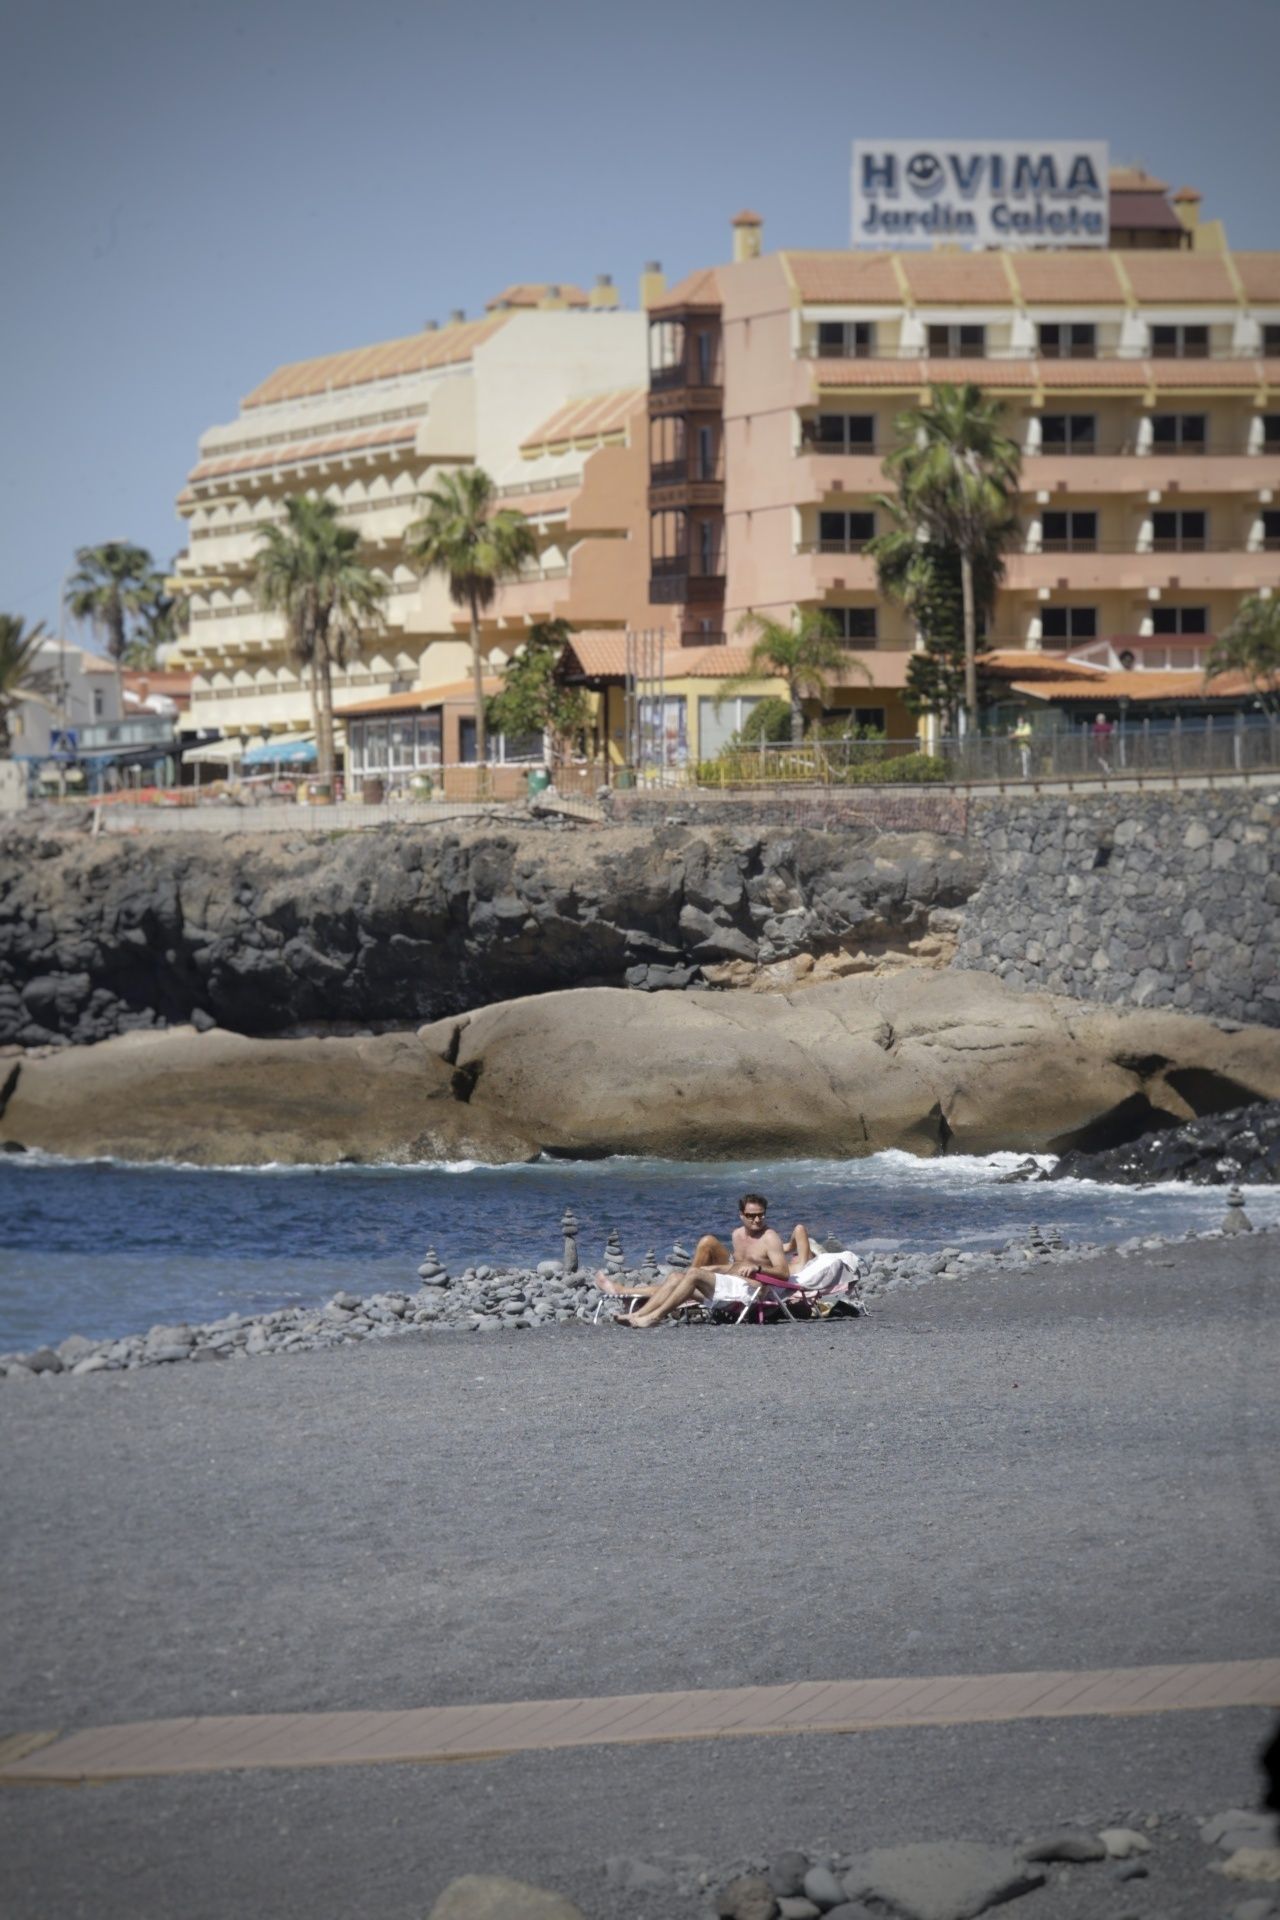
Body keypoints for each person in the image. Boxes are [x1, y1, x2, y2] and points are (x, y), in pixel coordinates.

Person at [601, 1194, 812, 1328]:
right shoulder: (737, 1235)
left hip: (751, 1292)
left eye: (761, 1215)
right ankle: (637, 1315)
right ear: (741, 1215)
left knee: (693, 1274)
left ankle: (655, 1317)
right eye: (751, 1215)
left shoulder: (770, 1237)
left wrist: (757, 1268)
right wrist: (717, 1268)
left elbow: (783, 1273)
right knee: (676, 1276)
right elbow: (735, 1266)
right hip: (732, 1285)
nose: (757, 1220)